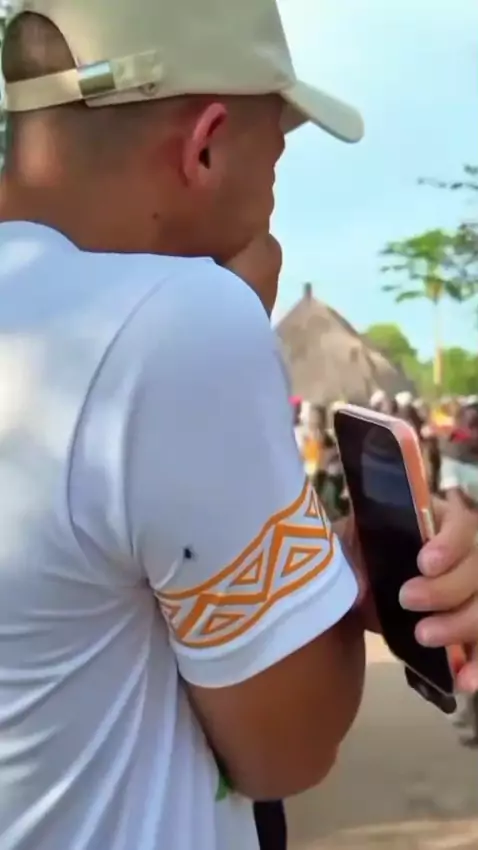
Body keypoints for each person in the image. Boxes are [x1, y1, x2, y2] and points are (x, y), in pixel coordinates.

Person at [0, 3, 478, 850]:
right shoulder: (176, 327)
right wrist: (353, 580)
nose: (274, 194)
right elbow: (288, 747)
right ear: (207, 145)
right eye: (278, 152)